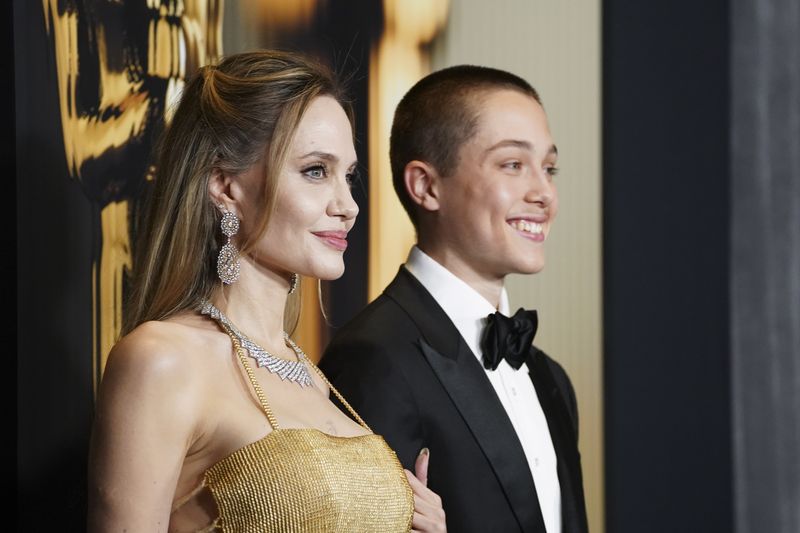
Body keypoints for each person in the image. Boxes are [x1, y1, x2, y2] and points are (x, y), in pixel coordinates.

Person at [87, 50, 446, 533]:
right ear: (225, 185)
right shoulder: (162, 359)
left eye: (349, 175)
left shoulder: (312, 377)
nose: (348, 205)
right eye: (316, 170)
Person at [320, 65, 589, 533]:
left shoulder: (550, 379)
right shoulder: (373, 359)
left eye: (549, 168)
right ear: (426, 185)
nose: (544, 193)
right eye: (512, 164)